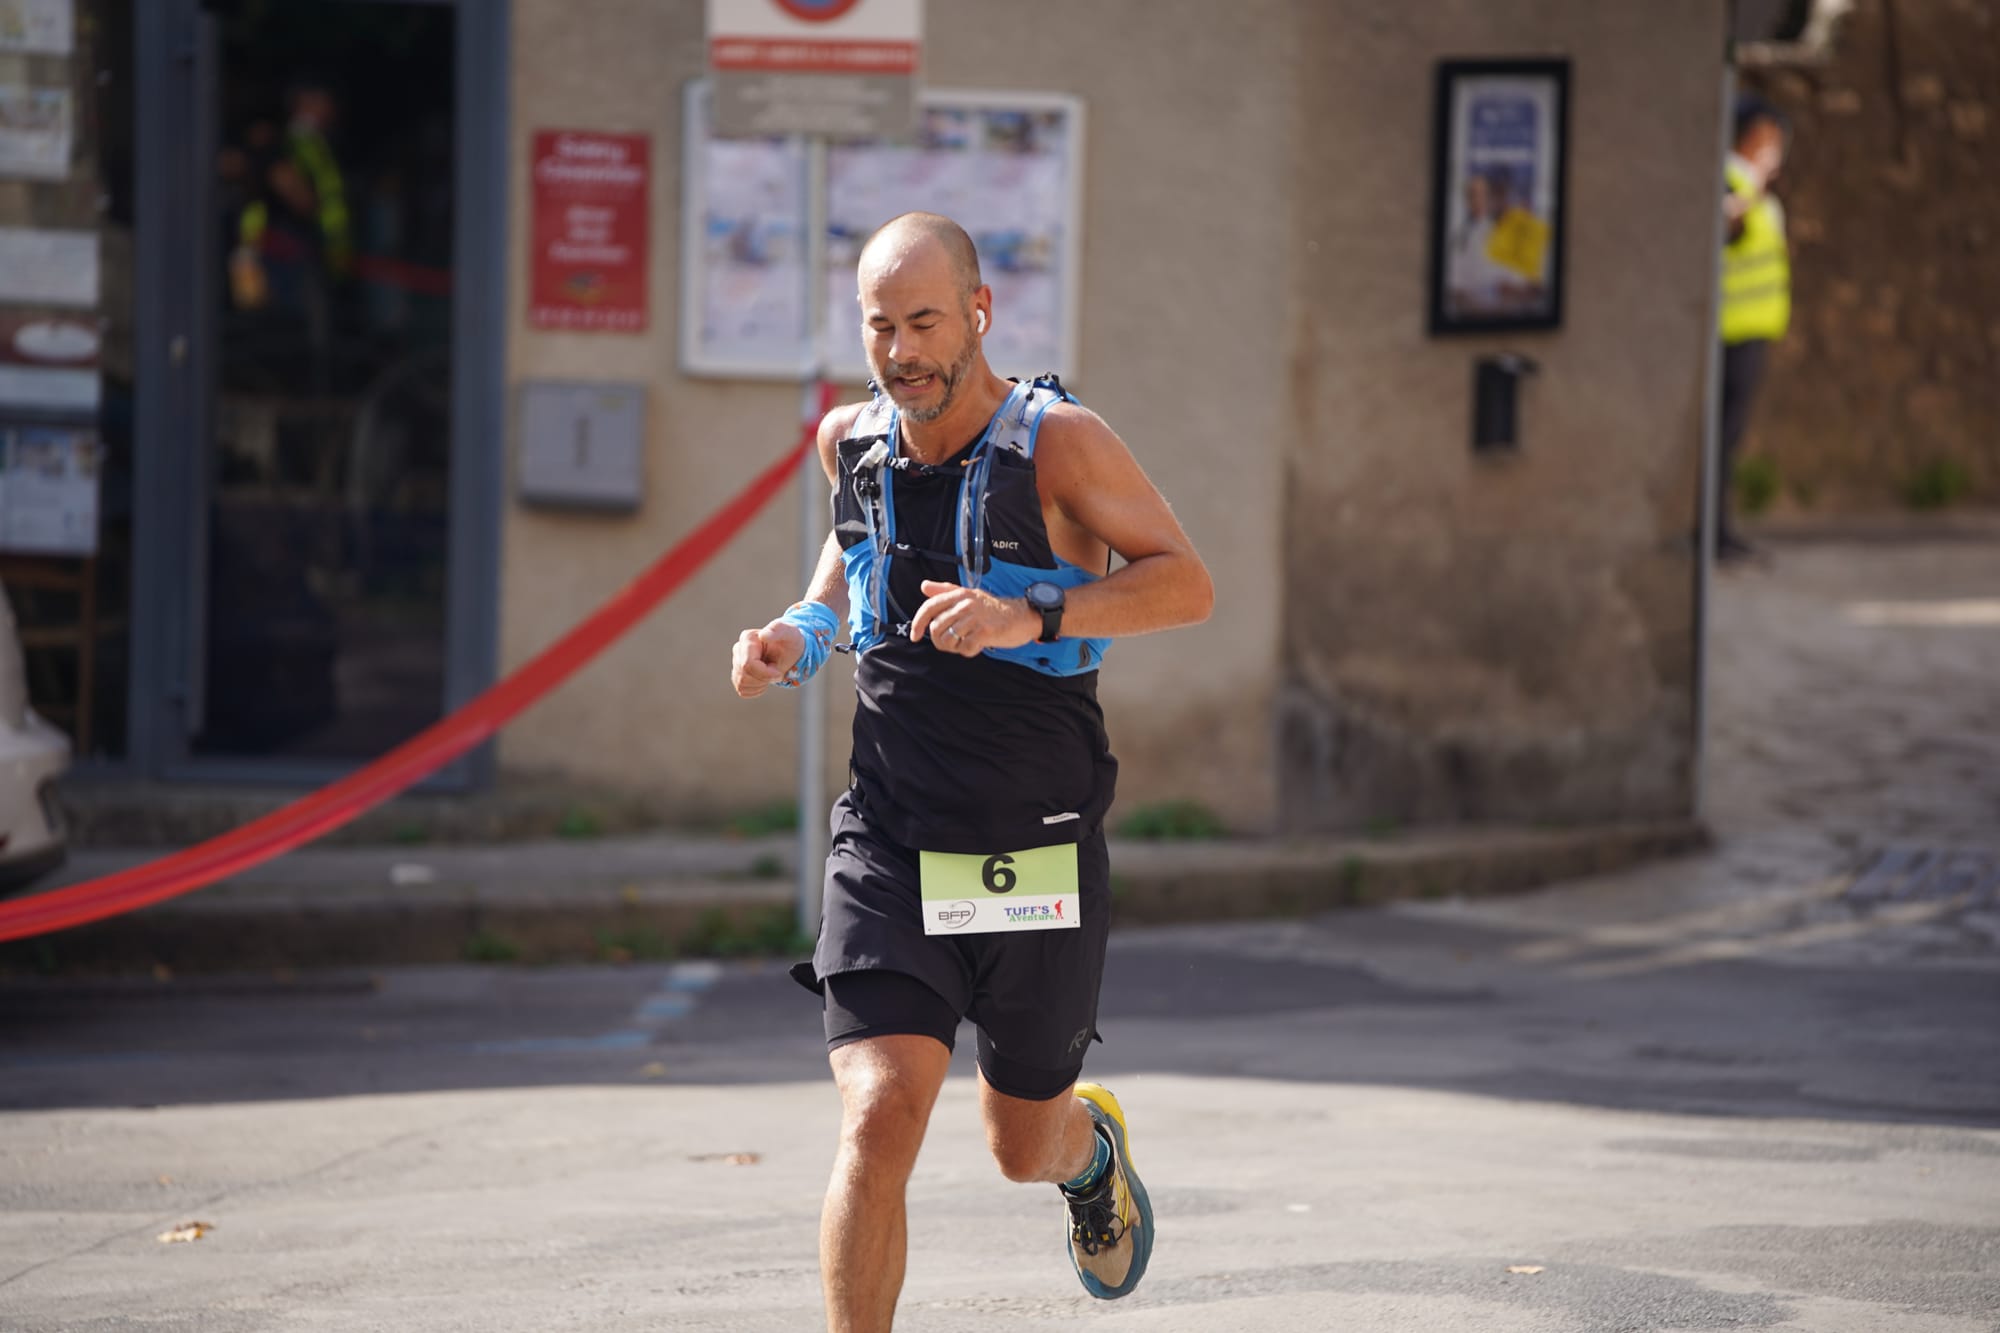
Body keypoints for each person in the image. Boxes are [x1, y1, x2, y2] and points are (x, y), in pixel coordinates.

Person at [729, 211, 1213, 1330]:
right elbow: (850, 566)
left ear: (979, 314)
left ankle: (1087, 1160)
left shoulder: (1060, 443)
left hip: (1032, 845)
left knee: (1018, 1143)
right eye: (879, 327)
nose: (901, 353)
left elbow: (1184, 584)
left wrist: (1027, 607)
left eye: (925, 322)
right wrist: (792, 639)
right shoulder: (848, 438)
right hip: (891, 839)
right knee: (878, 1113)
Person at [1717, 95, 1792, 562]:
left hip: (1751, 328)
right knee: (1720, 438)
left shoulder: (1756, 186)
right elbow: (1728, 228)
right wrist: (1750, 195)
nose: (1776, 148)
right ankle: (1714, 533)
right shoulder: (1730, 181)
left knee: (1730, 439)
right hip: (1729, 331)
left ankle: (1721, 528)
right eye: (1768, 137)